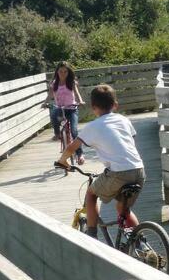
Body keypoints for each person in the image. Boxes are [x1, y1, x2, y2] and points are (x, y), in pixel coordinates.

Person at [57, 84, 146, 238]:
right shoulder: (123, 120)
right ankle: (140, 242)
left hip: (119, 173)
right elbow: (130, 141)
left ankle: (92, 236)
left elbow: (72, 147)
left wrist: (62, 160)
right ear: (115, 105)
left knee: (91, 195)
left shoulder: (93, 126)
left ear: (93, 107)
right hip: (139, 170)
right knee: (123, 209)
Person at [47, 61, 85, 164]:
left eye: (65, 71)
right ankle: (57, 133)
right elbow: (49, 96)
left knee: (74, 131)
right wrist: (45, 103)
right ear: (57, 72)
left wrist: (80, 101)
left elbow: (77, 94)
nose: (63, 74)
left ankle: (80, 154)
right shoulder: (54, 83)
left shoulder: (71, 82)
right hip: (60, 108)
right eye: (60, 71)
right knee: (54, 114)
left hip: (72, 109)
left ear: (68, 72)